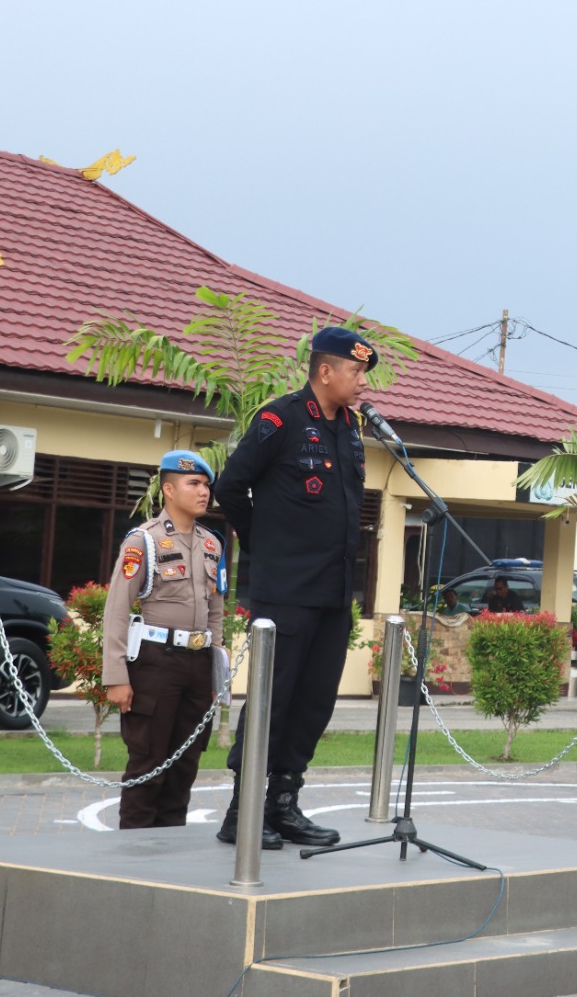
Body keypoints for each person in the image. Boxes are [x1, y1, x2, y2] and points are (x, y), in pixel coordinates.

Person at [212, 325, 377, 850]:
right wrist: (264, 545)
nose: (361, 382)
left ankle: (283, 803)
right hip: (285, 592)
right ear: (325, 371)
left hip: (333, 593)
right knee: (273, 700)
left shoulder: (350, 428)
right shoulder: (279, 418)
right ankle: (243, 811)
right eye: (355, 372)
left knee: (312, 705)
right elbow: (231, 486)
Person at [101, 451, 225, 829]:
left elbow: (216, 611)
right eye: (194, 484)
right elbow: (117, 608)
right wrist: (116, 675)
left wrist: (216, 670)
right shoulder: (144, 541)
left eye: (206, 485)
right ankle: (133, 853)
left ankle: (170, 848)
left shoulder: (211, 544)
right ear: (169, 490)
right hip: (156, 661)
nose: (203, 491)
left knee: (185, 765)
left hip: (198, 663)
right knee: (149, 762)